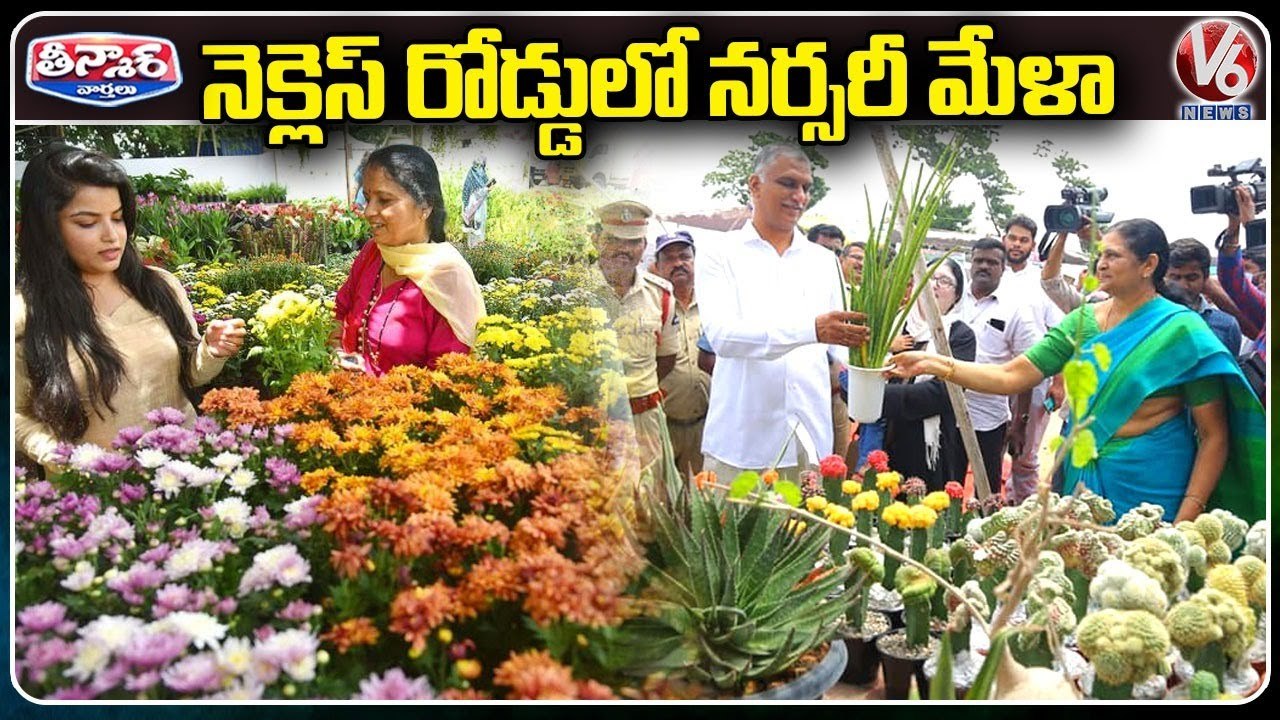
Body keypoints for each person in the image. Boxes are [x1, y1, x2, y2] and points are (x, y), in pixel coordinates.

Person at [891, 219, 1265, 523]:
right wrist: (937, 363)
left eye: (1113, 256)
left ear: (1148, 265)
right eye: (1099, 255)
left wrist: (1186, 519)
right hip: (1082, 482)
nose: (1100, 264)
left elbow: (1214, 434)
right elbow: (1012, 375)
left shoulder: (1182, 331)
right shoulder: (1083, 319)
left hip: (1154, 488)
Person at [15, 144, 247, 472]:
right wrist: (63, 458)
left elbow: (188, 375)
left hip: (183, 476)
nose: (111, 235)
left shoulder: (158, 287)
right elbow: (17, 414)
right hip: (93, 497)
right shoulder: (26, 314)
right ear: (48, 229)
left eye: (118, 217)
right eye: (87, 223)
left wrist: (211, 349)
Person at [697, 144, 868, 478]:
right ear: (755, 185)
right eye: (789, 183)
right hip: (739, 444)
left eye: (806, 188)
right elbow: (724, 337)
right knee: (729, 532)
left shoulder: (823, 262)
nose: (800, 196)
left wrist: (875, 363)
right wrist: (811, 330)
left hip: (807, 444)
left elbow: (837, 349)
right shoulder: (720, 254)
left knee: (805, 530)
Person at [334, 145, 485, 376]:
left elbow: (445, 380)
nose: (368, 211)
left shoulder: (447, 276)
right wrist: (337, 355)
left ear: (425, 206)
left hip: (408, 409)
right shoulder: (373, 253)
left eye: (384, 200)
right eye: (367, 198)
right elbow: (339, 312)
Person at [593, 200, 679, 476]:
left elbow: (666, 358)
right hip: (592, 420)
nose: (623, 249)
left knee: (649, 501)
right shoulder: (574, 290)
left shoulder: (661, 295)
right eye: (614, 240)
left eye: (633, 242)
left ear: (643, 247)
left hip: (645, 420)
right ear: (596, 239)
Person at [879, 258, 976, 490]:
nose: (934, 285)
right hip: (884, 435)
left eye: (944, 281)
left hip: (930, 443)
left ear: (957, 296)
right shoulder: (895, 324)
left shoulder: (960, 334)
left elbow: (943, 392)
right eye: (929, 277)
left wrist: (881, 397)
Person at [956, 238, 1041, 498]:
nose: (984, 266)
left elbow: (1027, 368)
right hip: (946, 410)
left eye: (992, 262)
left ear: (1003, 268)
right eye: (979, 260)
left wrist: (1020, 422)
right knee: (947, 483)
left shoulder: (1016, 309)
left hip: (989, 417)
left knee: (986, 492)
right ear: (970, 263)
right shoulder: (954, 297)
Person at [998, 215, 1065, 502]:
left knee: (1025, 454)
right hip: (991, 372)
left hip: (1035, 373)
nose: (1016, 244)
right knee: (991, 443)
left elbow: (1062, 332)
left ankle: (1023, 514)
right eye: (1012, 238)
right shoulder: (990, 273)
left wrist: (1059, 382)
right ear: (1004, 239)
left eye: (1023, 240)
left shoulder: (1043, 281)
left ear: (1033, 245)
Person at [653, 230, 711, 479]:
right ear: (657, 267)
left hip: (705, 426)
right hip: (662, 427)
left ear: (695, 260)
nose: (678, 263)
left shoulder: (715, 304)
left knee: (700, 502)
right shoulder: (653, 306)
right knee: (663, 502)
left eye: (684, 256)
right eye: (669, 258)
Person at [1167, 238, 1243, 355]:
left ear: (1205, 277)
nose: (1183, 285)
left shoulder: (1225, 326)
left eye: (1191, 278)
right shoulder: (1149, 319)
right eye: (1175, 277)